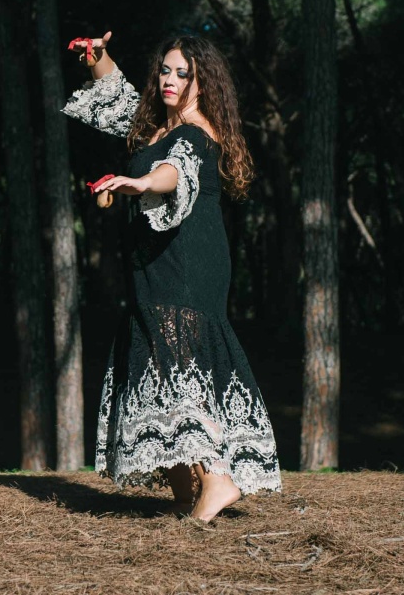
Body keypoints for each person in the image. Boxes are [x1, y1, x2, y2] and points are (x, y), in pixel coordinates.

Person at [64, 31, 281, 522]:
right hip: (153, 261)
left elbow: (174, 173)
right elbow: (117, 98)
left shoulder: (197, 134)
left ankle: (218, 480)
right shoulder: (157, 125)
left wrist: (140, 182)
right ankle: (185, 484)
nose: (171, 79)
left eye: (184, 73)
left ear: (203, 84)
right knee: (159, 360)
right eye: (166, 69)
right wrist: (97, 58)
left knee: (177, 362)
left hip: (187, 261)